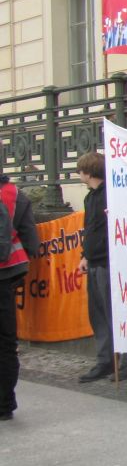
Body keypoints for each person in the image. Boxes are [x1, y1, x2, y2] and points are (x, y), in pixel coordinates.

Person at [76, 151, 127, 383]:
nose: (78, 175)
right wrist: (85, 255)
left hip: (108, 263)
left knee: (116, 313)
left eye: (80, 170)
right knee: (99, 315)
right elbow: (90, 229)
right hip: (94, 261)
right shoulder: (90, 197)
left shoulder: (110, 195)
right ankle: (105, 360)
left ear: (88, 171)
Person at [0, 172, 37, 421]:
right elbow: (28, 234)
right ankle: (5, 403)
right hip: (9, 272)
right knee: (5, 341)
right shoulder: (16, 196)